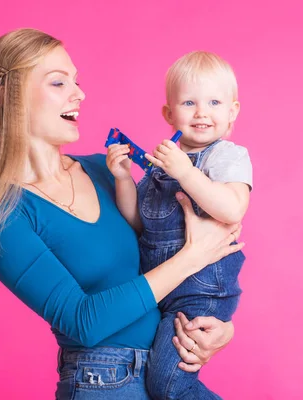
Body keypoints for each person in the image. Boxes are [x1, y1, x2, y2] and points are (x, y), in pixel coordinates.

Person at [0, 29, 244, 399]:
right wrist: (194, 255)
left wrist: (218, 327)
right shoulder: (0, 214)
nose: (80, 93)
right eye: (59, 82)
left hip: (165, 369)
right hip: (103, 381)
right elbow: (84, 321)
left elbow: (157, 259)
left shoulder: (105, 170)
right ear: (9, 96)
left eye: (77, 80)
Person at [106, 51, 252, 399]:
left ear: (232, 111)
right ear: (169, 114)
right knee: (148, 379)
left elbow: (231, 208)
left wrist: (185, 172)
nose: (202, 112)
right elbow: (138, 224)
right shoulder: (162, 162)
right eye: (189, 102)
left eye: (214, 102)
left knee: (167, 385)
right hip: (160, 289)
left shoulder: (226, 156)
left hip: (201, 294)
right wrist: (124, 179)